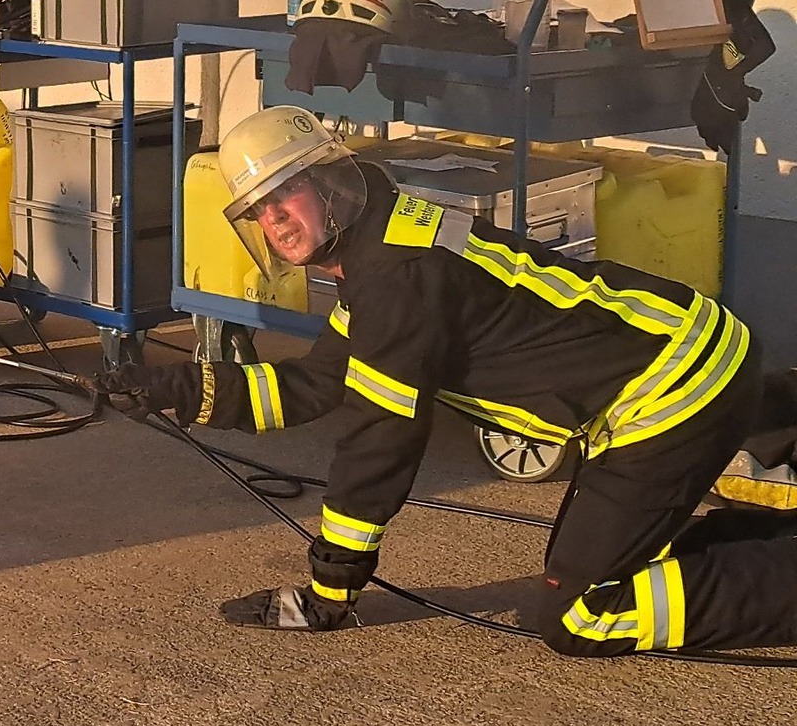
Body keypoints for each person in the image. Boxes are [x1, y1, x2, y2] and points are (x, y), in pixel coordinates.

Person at [101, 105, 797, 655]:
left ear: (326, 183)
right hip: (685, 352)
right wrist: (178, 392)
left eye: (285, 196)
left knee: (584, 614)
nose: (274, 220)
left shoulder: (394, 281)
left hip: (669, 389)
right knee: (599, 563)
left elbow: (380, 445)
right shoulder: (379, 246)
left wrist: (330, 590)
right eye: (258, 210)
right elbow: (315, 386)